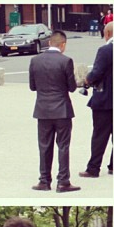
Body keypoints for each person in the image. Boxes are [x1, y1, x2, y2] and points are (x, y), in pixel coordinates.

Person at [28, 30, 80, 192]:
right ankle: (63, 181)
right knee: (63, 145)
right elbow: (72, 87)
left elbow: (32, 86)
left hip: (43, 109)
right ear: (63, 44)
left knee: (44, 146)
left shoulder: (35, 60)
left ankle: (44, 180)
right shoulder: (66, 61)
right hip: (62, 110)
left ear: (50, 42)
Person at [79, 22, 113, 178]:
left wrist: (87, 80)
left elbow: (97, 73)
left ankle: (93, 168)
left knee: (100, 135)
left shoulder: (106, 50)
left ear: (107, 33)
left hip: (105, 100)